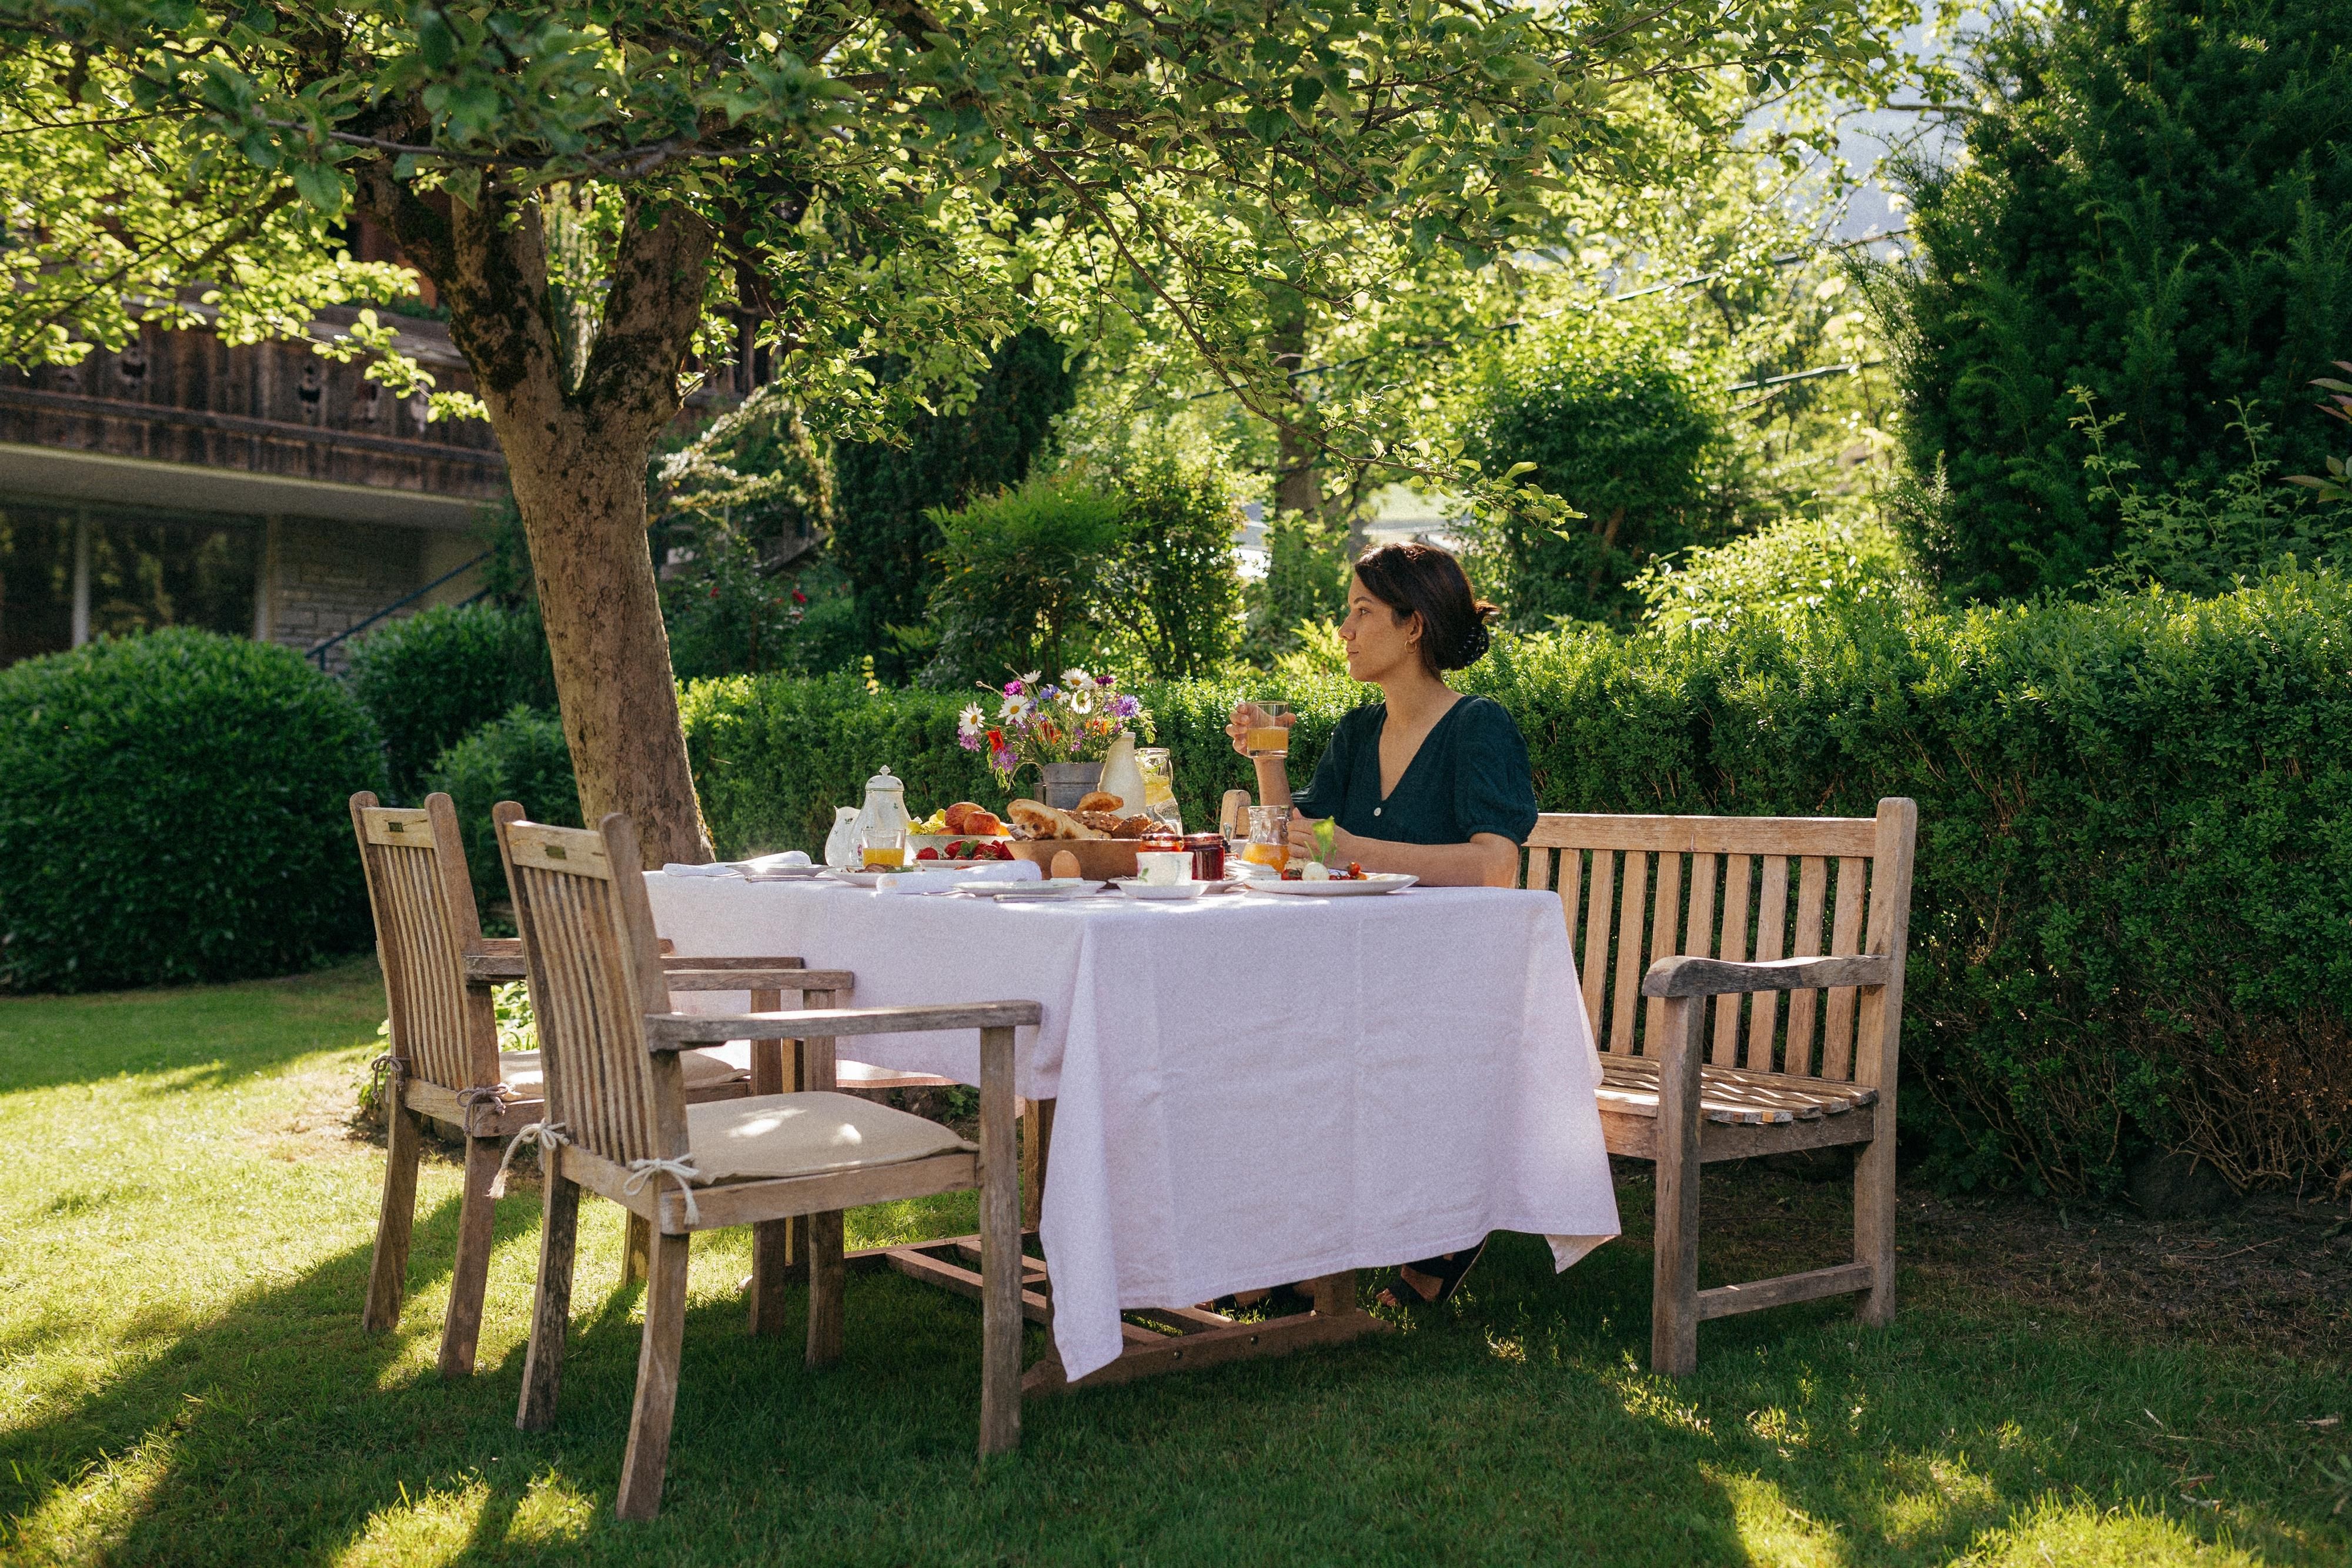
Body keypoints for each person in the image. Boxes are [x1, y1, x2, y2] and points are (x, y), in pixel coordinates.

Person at [1224, 541, 1539, 1308]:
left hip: (1452, 989)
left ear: (1414, 627)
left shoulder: (1477, 727)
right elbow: (1286, 844)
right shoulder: (1358, 734)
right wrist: (1268, 757)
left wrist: (1357, 849)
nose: (1345, 628)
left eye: (1363, 611)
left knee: (1292, 1043)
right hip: (1364, 976)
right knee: (1247, 1035)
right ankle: (1293, 1249)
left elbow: (1496, 863)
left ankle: (1349, 1249)